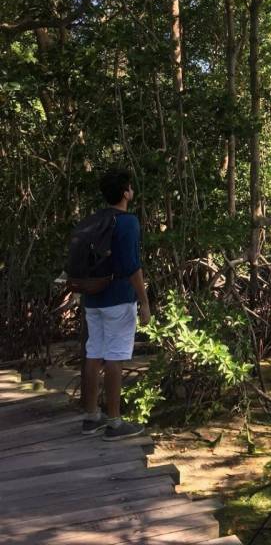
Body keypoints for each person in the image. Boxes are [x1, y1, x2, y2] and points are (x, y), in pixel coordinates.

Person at [81, 168, 151, 439]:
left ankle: (91, 417)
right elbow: (133, 267)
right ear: (125, 193)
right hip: (118, 300)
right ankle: (114, 421)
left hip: (93, 298)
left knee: (93, 352)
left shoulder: (94, 220)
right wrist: (144, 302)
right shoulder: (128, 222)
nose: (132, 191)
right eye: (130, 187)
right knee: (115, 357)